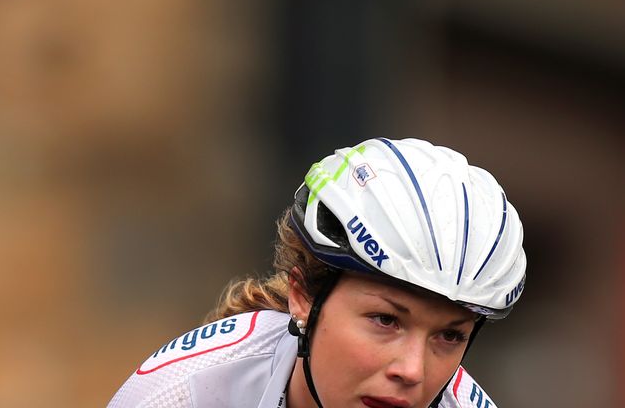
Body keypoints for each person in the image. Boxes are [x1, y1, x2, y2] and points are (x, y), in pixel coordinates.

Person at [107, 137, 527, 408]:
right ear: (304, 296)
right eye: (386, 320)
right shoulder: (185, 392)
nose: (413, 370)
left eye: (450, 335)